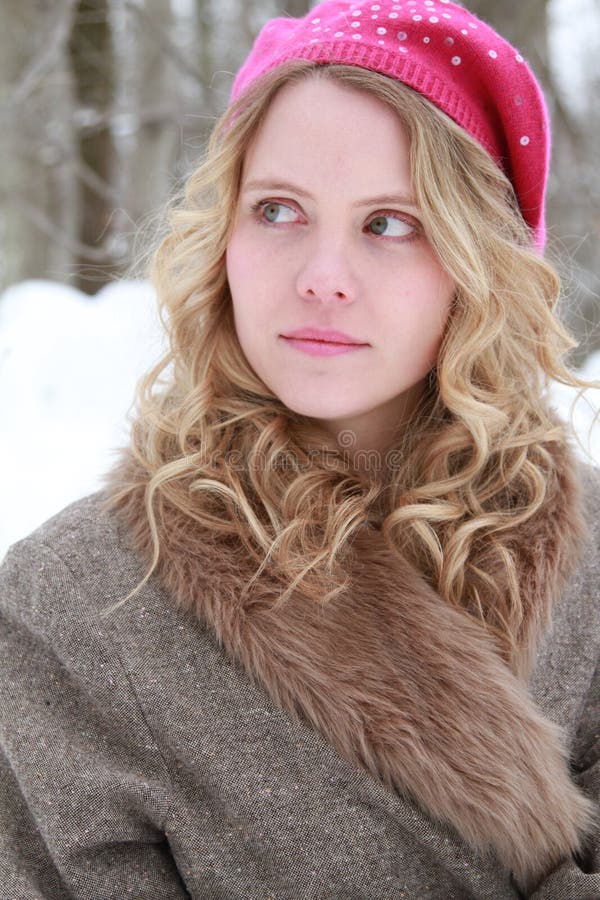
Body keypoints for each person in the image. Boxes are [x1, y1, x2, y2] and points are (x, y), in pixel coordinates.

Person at [1, 0, 598, 897]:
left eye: (389, 222)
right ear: (223, 242)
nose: (321, 276)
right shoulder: (71, 603)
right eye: (278, 209)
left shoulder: (590, 557)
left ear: (481, 261)